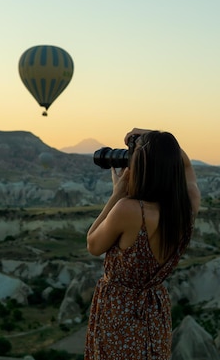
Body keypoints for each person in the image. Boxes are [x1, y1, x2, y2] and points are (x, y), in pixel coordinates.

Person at [84, 128, 201, 360]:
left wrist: (117, 194)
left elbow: (93, 244)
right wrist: (153, 140)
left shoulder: (129, 210)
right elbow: (185, 164)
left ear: (143, 167)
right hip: (155, 312)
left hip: (120, 312)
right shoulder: (186, 207)